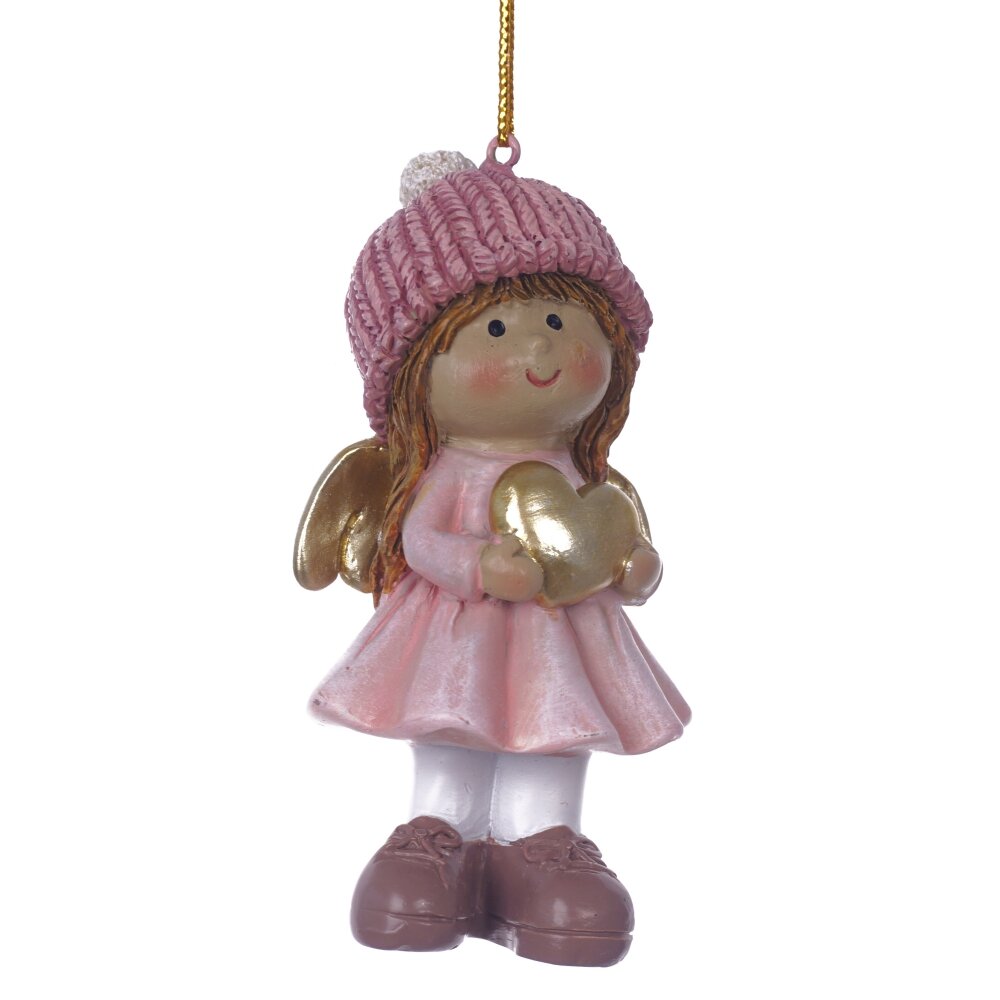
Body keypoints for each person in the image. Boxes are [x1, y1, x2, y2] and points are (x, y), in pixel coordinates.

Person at [298, 141, 691, 966]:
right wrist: (478, 566)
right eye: (498, 329)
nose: (538, 352)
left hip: (566, 637)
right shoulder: (447, 469)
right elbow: (420, 539)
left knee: (558, 728)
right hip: (458, 632)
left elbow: (618, 537)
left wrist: (634, 566)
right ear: (413, 367)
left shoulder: (588, 480)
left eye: (561, 322)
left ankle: (543, 842)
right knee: (453, 722)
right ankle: (438, 833)